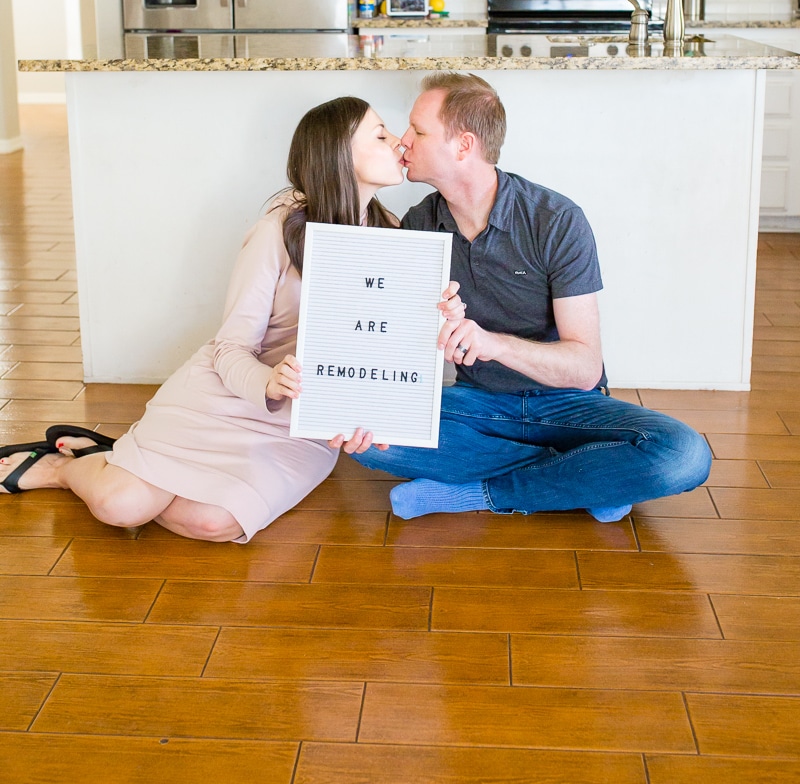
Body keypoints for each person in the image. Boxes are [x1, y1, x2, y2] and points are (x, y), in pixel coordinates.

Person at [0, 96, 463, 543]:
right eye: (381, 135)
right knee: (121, 508)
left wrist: (438, 336)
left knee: (211, 523)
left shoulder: (397, 238)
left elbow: (394, 362)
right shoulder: (276, 233)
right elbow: (231, 346)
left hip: (297, 426)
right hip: (226, 396)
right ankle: (69, 467)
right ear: (338, 156)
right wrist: (268, 382)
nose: (400, 143)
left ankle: (121, 463)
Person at [345, 72, 712, 523]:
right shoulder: (420, 224)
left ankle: (479, 493)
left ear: (463, 146)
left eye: (418, 131)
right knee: (367, 435)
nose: (403, 141)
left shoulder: (555, 220)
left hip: (567, 404)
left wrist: (493, 343)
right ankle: (589, 475)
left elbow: (583, 367)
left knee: (683, 455)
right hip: (479, 405)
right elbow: (398, 349)